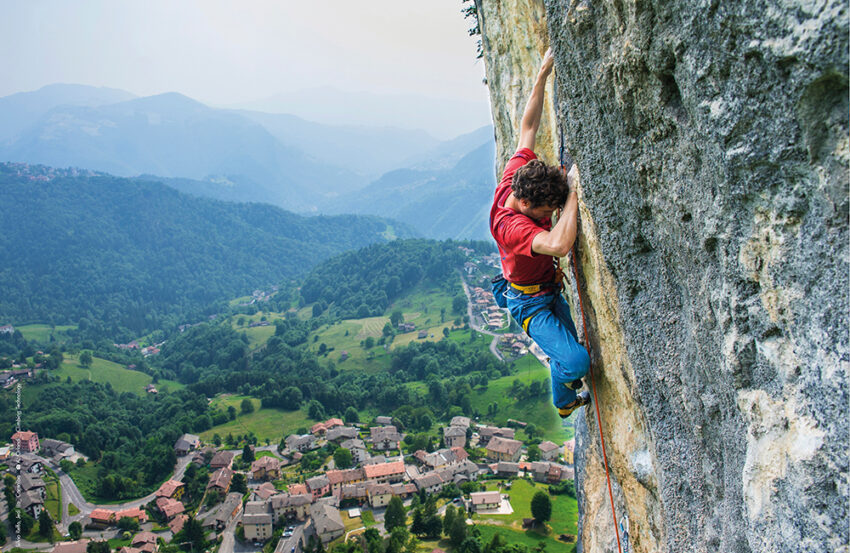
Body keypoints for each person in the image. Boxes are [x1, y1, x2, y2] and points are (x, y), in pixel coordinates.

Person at [489, 48, 591, 418]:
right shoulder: (511, 227)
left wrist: (542, 74)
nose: (552, 216)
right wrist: (576, 192)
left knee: (575, 353)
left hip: (545, 289)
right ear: (529, 206)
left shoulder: (517, 177)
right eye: (548, 212)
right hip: (529, 303)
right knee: (577, 363)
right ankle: (562, 395)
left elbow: (527, 127)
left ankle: (565, 395)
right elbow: (560, 244)